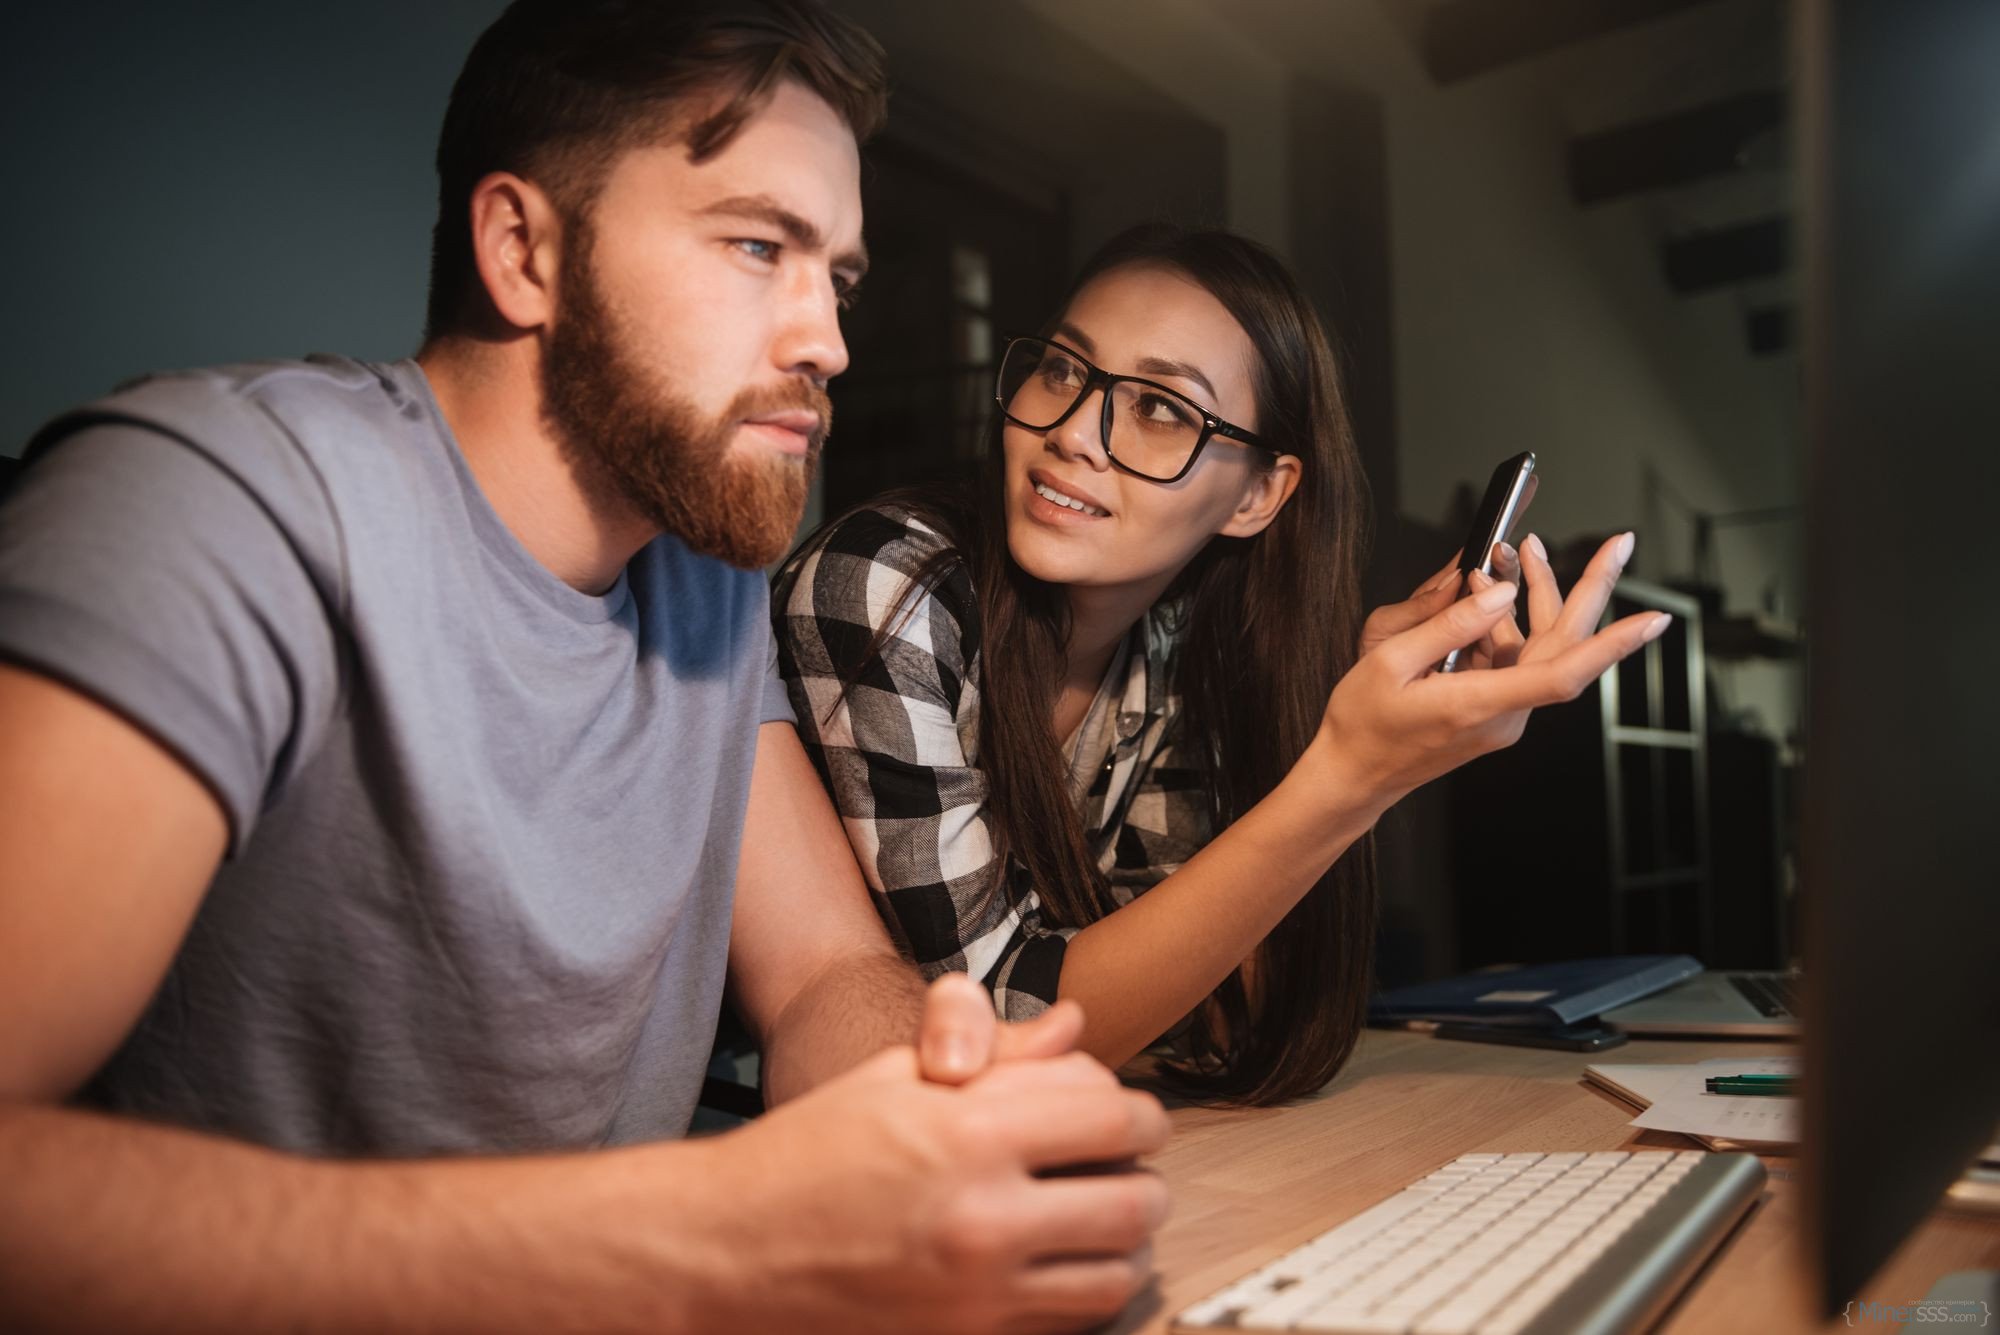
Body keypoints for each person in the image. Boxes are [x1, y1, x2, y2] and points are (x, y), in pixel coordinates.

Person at [0, 3, 1172, 1331]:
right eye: (754, 245)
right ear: (524, 250)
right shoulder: (217, 504)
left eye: (834, 276)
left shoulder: (703, 576)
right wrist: (717, 1236)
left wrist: (944, 1114)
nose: (828, 341)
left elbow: (822, 976)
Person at [775, 224, 1670, 1104]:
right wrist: (1350, 774)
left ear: (1258, 495)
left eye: (1160, 408)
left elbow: (1211, 1009)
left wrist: (1360, 744)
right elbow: (993, 1028)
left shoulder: (1162, 656)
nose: (1077, 433)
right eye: (1063, 369)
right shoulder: (886, 585)